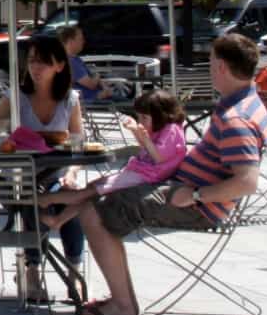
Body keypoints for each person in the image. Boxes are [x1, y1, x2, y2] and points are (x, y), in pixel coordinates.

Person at [75, 33, 267, 315]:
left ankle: (122, 306)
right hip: (185, 189)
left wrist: (195, 197)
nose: (209, 69)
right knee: (101, 196)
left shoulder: (236, 119)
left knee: (92, 212)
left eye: (210, 64)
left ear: (220, 67)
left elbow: (247, 182)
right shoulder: (248, 101)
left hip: (197, 204)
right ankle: (121, 300)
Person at [0, 35, 85, 301]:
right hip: (18, 179)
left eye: (43, 63)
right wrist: (9, 127)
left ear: (59, 66)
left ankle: (74, 273)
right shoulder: (16, 98)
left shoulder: (69, 100)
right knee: (33, 197)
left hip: (56, 177)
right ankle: (32, 270)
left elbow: (79, 144)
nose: (35, 68)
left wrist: (71, 173)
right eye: (33, 61)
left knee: (75, 198)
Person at [40, 90, 187, 230]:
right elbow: (147, 147)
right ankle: (58, 219)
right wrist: (136, 132)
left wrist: (143, 137)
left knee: (90, 191)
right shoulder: (163, 128)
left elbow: (159, 157)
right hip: (142, 172)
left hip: (147, 175)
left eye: (144, 118)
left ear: (161, 115)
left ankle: (47, 199)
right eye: (139, 117)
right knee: (92, 189)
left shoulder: (172, 129)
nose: (141, 121)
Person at [57, 25, 113, 103]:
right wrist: (97, 75)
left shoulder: (75, 59)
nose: (83, 42)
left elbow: (94, 81)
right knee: (130, 105)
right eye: (81, 39)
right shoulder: (70, 62)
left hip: (100, 99)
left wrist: (104, 87)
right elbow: (91, 84)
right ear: (70, 41)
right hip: (94, 102)